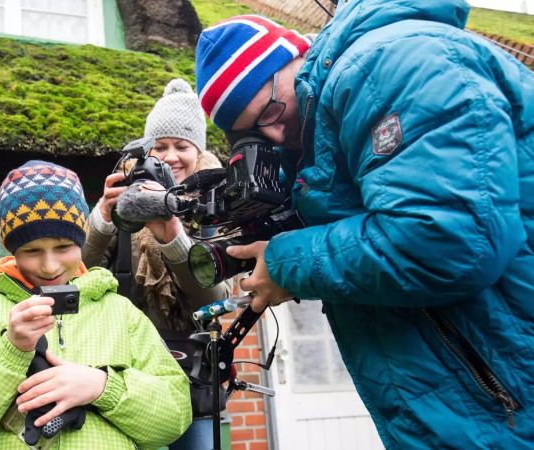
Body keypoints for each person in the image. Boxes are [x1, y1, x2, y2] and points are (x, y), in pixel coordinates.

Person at [194, 3, 533, 448]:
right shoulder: (322, 128)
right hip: (481, 400)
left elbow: (449, 241)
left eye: (272, 111)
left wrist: (286, 263)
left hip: (509, 393)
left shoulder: (388, 62)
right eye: (254, 134)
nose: (275, 137)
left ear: (295, 56)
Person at [0, 160, 191, 449]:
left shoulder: (121, 313)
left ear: (82, 239)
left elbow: (175, 416)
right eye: (32, 250)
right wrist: (10, 350)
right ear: (11, 250)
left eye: (63, 247)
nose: (49, 266)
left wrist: (103, 387)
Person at [82, 78, 230, 449]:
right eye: (159, 147)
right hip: (124, 366)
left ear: (199, 151)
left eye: (182, 146)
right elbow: (79, 270)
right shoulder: (129, 200)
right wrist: (103, 215)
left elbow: (213, 299)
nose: (169, 157)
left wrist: (171, 232)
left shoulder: (215, 205)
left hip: (189, 371)